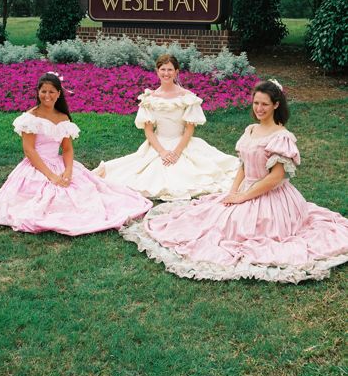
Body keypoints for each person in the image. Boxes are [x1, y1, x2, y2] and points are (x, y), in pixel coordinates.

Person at [120, 80, 348, 283]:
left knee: (239, 228)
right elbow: (243, 165)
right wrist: (232, 191)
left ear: (276, 105)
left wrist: (243, 196)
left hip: (271, 195)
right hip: (246, 186)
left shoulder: (281, 137)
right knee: (216, 218)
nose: (259, 109)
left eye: (265, 104)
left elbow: (276, 178)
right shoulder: (251, 130)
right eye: (256, 103)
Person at [0, 72, 152, 236]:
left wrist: (68, 170)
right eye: (43, 91)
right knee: (49, 197)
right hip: (37, 166)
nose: (47, 95)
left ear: (58, 94)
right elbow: (30, 150)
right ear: (38, 92)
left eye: (51, 92)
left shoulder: (63, 117)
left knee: (84, 192)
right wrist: (51, 176)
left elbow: (67, 149)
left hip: (59, 163)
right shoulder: (30, 117)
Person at [93, 54, 240, 200]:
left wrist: (176, 152)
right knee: (137, 170)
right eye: (163, 69)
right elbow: (149, 131)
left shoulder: (186, 97)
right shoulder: (150, 99)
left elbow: (189, 129)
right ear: (157, 72)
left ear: (176, 72)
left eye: (170, 70)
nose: (166, 73)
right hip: (158, 143)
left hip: (182, 142)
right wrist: (162, 151)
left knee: (192, 171)